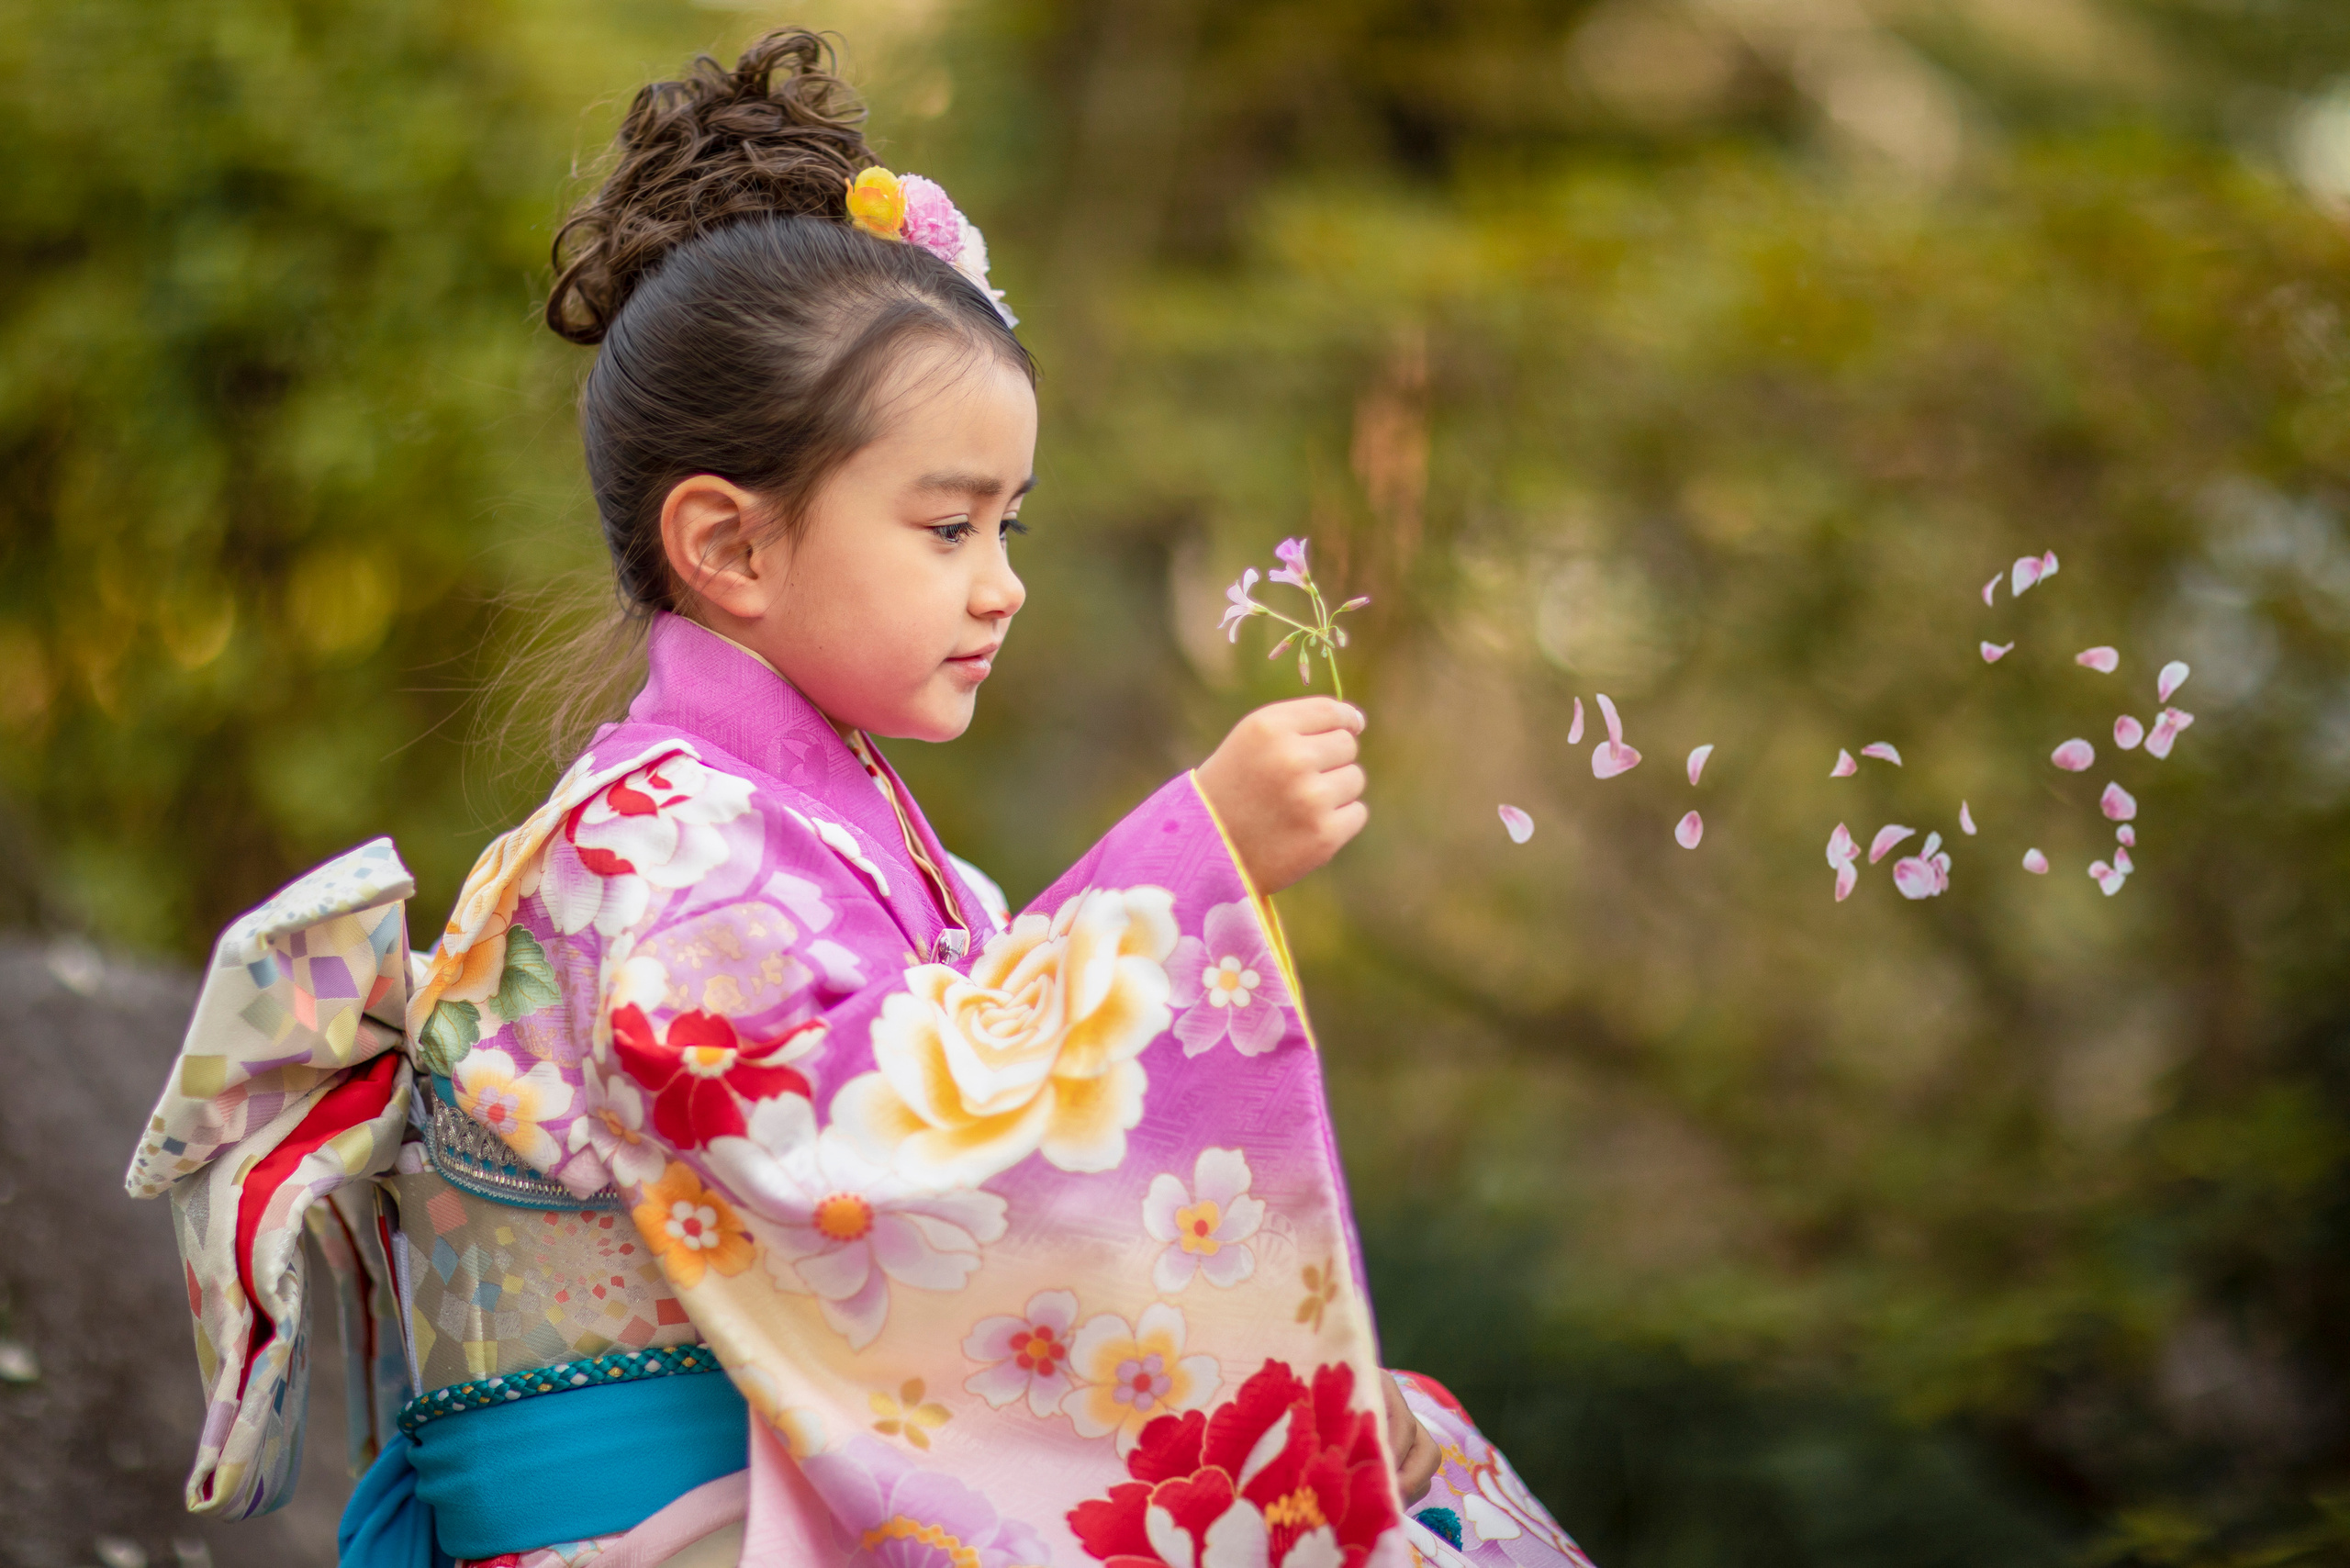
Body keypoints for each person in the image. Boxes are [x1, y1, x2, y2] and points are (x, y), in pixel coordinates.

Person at [125, 29, 1595, 1568]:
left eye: (1010, 524)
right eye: (949, 527)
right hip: (664, 1524)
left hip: (756, 1473)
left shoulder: (823, 840)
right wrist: (1188, 874)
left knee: (1402, 1449)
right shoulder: (655, 844)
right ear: (732, 546)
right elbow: (869, 1162)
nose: (1004, 585)